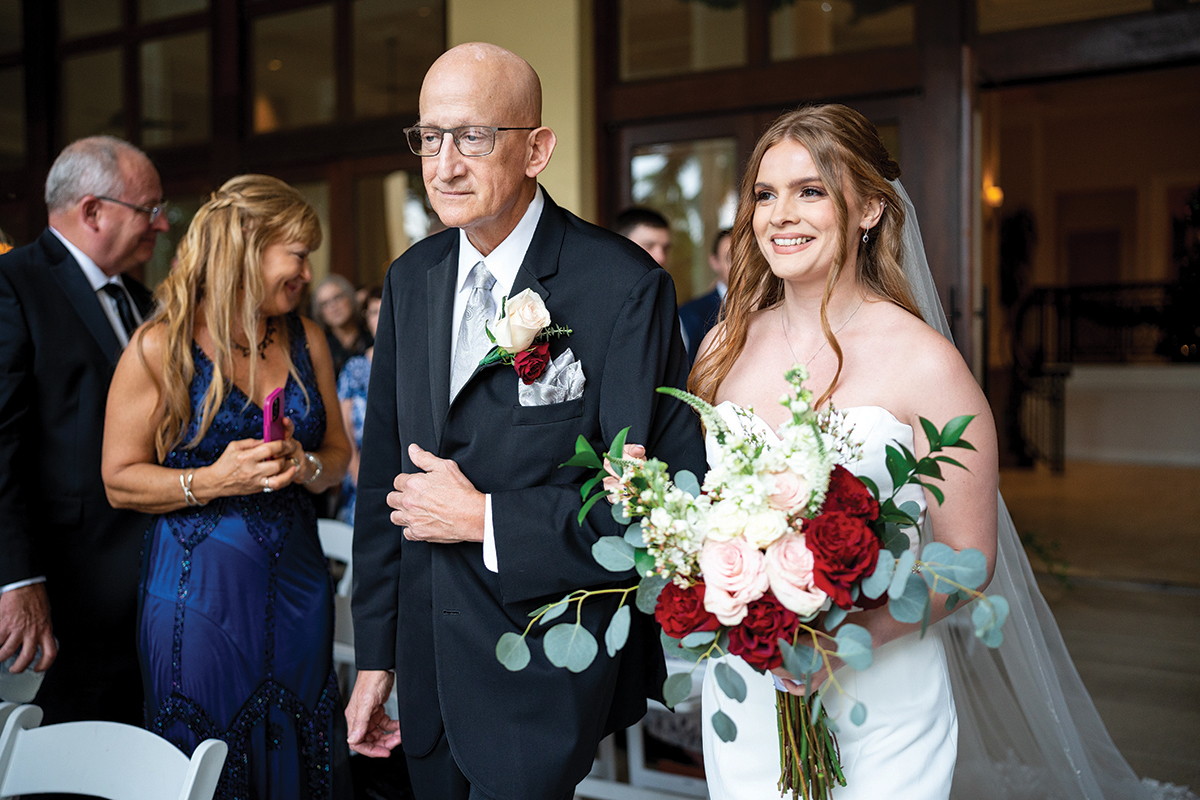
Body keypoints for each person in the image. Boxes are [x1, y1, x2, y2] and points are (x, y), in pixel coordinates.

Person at [691, 106, 1157, 800]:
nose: (780, 215)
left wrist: (841, 642)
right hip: (753, 695)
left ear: (872, 207)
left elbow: (969, 560)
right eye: (765, 193)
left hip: (884, 699)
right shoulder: (722, 346)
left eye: (811, 191)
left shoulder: (926, 363)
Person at [346, 42, 706, 800]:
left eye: (473, 137)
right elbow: (386, 475)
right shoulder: (410, 280)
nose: (444, 165)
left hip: (542, 666)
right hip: (426, 667)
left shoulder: (623, 287)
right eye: (429, 137)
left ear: (537, 148)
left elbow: (658, 498)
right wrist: (376, 655)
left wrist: (484, 519)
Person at [101, 174, 352, 799]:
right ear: (247, 246)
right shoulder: (161, 347)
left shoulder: (306, 339)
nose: (306, 271)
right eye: (296, 253)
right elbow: (118, 480)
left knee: (304, 740)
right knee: (211, 751)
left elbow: (339, 457)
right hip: (198, 592)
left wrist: (303, 463)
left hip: (297, 583)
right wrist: (213, 479)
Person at [0, 135, 166, 725]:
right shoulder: (14, 284)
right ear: (92, 210)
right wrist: (17, 579)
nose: (162, 224)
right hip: (65, 587)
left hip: (149, 582)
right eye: (148, 209)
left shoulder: (143, 300)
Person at [336, 284, 382, 525]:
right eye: (374, 311)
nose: (381, 317)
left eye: (386, 309)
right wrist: (358, 478)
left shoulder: (416, 365)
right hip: (361, 476)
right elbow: (343, 431)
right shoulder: (354, 368)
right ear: (366, 319)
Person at [678, 227, 731, 362]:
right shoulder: (689, 314)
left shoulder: (771, 309)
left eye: (748, 257)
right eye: (730, 258)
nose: (741, 265)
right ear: (715, 262)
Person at [313, 274, 374, 377]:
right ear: (320, 313)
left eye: (337, 297)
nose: (333, 306)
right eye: (325, 304)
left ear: (350, 297)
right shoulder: (319, 347)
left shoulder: (372, 337)